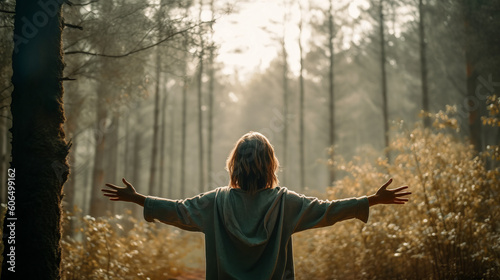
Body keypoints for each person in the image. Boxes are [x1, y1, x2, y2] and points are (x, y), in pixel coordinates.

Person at [101, 131, 410, 279]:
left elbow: (178, 210)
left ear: (235, 165)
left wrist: (138, 198)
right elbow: (328, 210)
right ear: (270, 165)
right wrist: (372, 199)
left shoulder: (215, 202)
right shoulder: (285, 202)